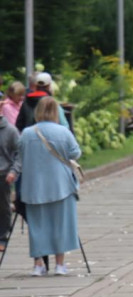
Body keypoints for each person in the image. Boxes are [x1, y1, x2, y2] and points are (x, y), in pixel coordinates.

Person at [12, 97, 80, 277]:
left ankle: (38, 264)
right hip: (61, 186)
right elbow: (75, 153)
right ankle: (59, 264)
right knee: (61, 225)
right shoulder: (63, 132)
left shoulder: (27, 133)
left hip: (33, 187)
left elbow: (19, 157)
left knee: (37, 226)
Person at [0, 109, 18, 253]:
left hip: (3, 174)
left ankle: (2, 237)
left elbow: (20, 153)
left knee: (4, 206)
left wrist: (13, 171)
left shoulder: (11, 131)